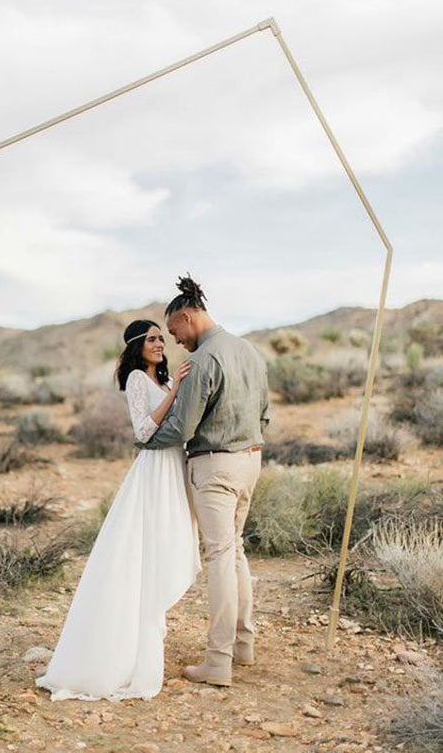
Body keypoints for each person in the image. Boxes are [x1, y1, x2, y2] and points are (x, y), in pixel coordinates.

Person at [35, 319, 201, 701]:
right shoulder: (138, 382)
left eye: (162, 338)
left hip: (172, 467)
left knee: (166, 546)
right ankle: (120, 653)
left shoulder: (157, 380)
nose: (160, 344)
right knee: (144, 553)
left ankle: (143, 636)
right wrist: (175, 389)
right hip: (154, 470)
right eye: (153, 339)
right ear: (137, 346)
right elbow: (143, 431)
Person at [140, 275, 270, 688]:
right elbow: (264, 414)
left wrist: (146, 440)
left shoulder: (202, 360)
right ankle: (243, 644)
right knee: (234, 553)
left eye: (175, 331)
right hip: (250, 461)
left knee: (219, 557)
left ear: (187, 316)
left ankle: (218, 662)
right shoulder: (249, 350)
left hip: (215, 468)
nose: (175, 341)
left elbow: (181, 427)